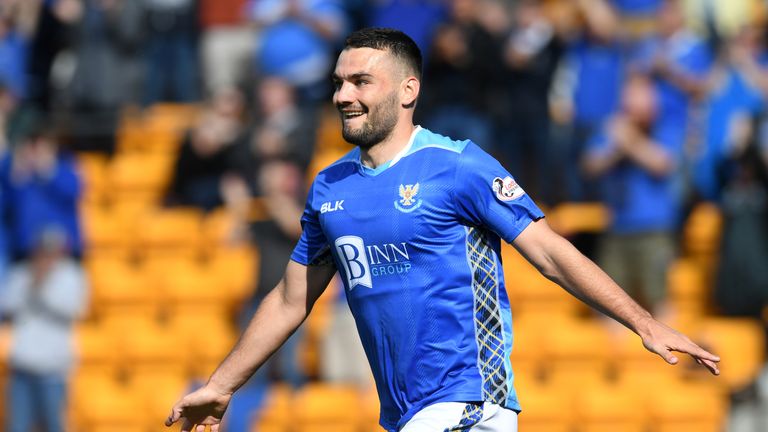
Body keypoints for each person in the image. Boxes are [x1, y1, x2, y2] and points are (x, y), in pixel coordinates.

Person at [166, 28, 720, 432]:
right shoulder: (330, 188)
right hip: (405, 416)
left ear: (408, 90)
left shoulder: (458, 166)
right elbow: (291, 299)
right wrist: (221, 385)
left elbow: (549, 251)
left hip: (470, 405)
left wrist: (643, 322)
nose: (343, 95)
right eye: (339, 82)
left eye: (361, 81)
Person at [1, 226, 88, 432]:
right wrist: (32, 282)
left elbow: (73, 309)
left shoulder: (72, 275)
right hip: (22, 366)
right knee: (17, 426)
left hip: (53, 368)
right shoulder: (22, 272)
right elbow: (7, 305)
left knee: (53, 425)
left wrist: (42, 287)